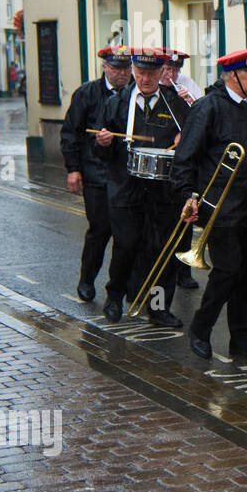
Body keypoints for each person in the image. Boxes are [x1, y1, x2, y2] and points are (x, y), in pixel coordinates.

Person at [172, 46, 247, 360]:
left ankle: (242, 339)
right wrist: (187, 195)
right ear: (233, 75)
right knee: (227, 271)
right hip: (221, 210)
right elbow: (185, 158)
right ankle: (201, 328)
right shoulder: (208, 107)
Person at [92, 47, 188, 325]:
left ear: (162, 73)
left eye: (151, 73)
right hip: (125, 186)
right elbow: (98, 148)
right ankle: (114, 298)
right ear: (134, 72)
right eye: (140, 73)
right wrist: (102, 143)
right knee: (127, 244)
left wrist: (185, 140)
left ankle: (157, 308)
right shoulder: (117, 103)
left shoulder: (174, 103)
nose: (145, 79)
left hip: (162, 191)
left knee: (161, 250)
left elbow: (191, 142)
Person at [60, 47, 132, 302]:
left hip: (126, 176)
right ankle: (87, 280)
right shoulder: (87, 93)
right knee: (100, 231)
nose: (122, 74)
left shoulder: (135, 94)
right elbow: (71, 133)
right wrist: (73, 170)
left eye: (126, 69)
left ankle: (126, 287)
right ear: (104, 67)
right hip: (96, 175)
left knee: (129, 236)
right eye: (116, 68)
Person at [158, 48, 202, 292]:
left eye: (174, 69)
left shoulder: (184, 86)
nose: (170, 73)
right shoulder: (151, 89)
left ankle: (183, 270)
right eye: (166, 69)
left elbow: (201, 115)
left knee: (185, 217)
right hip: (160, 165)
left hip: (182, 166)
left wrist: (190, 102)